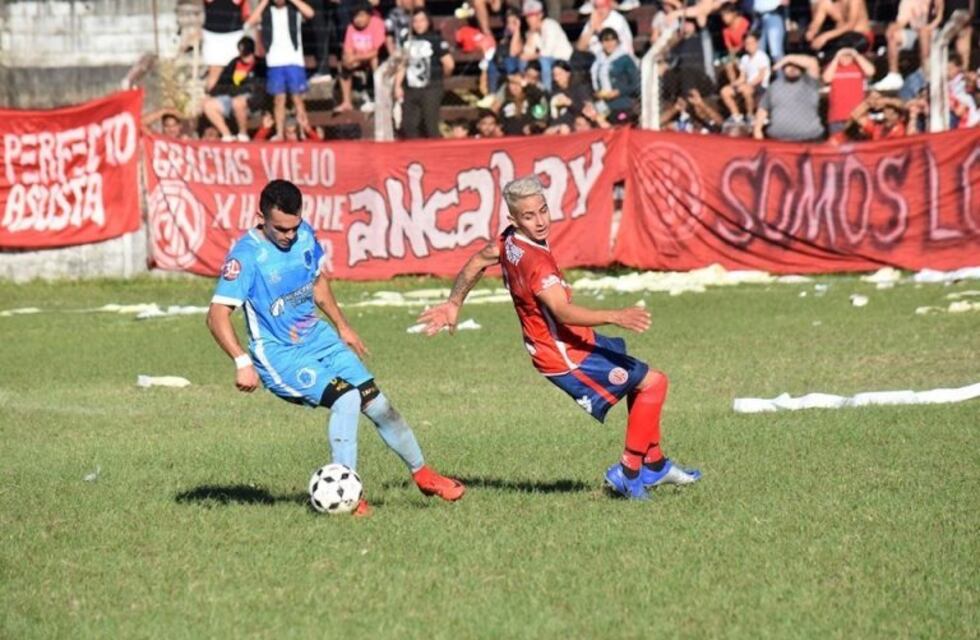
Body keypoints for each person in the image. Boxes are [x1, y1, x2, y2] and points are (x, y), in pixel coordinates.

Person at [417, 176, 702, 500]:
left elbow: (481, 258)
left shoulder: (510, 239)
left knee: (645, 381)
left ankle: (655, 464)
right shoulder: (537, 263)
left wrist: (454, 303)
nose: (539, 221)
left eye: (542, 211)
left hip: (572, 340)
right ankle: (629, 472)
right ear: (514, 220)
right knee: (654, 383)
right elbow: (562, 311)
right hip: (564, 355)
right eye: (529, 216)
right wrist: (616, 315)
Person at [206, 179, 465, 516]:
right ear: (261, 217)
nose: (288, 235)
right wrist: (241, 361)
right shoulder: (246, 256)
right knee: (346, 397)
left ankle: (424, 474)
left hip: (319, 337)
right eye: (279, 228)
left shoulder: (304, 236)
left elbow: (317, 282)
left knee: (378, 403)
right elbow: (216, 315)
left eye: (293, 226)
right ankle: (350, 497)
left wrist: (342, 326)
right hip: (280, 354)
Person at [246, 0, 315, 140]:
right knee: (279, 99)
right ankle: (279, 133)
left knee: (297, 98)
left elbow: (310, 13)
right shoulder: (266, 12)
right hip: (275, 62)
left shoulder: (294, 10)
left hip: (294, 60)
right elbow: (250, 22)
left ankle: (302, 131)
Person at [395, 9, 454, 138]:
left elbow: (449, 63)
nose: (418, 24)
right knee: (408, 125)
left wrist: (439, 78)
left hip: (431, 87)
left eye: (422, 20)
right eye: (415, 21)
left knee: (430, 125)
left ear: (428, 22)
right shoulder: (406, 39)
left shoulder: (436, 39)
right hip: (411, 88)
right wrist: (398, 85)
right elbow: (402, 64)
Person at [202, 36, 266, 142]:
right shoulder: (234, 63)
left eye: (247, 54)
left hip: (251, 103)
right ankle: (226, 134)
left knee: (238, 102)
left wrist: (241, 91)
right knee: (208, 105)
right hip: (231, 96)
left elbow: (259, 87)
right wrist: (234, 90)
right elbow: (219, 86)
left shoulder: (260, 65)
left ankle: (243, 134)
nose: (245, 58)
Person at [873, 0, 943, 91]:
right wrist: (894, 27)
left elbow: (939, 18)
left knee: (924, 33)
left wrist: (927, 28)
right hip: (916, 32)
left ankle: (925, 73)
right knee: (894, 35)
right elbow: (901, 21)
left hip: (936, 32)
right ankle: (894, 75)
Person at [753, 54, 824, 140]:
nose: (792, 68)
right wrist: (757, 129)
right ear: (783, 68)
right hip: (777, 141)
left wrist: (788, 59)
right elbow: (763, 108)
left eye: (796, 66)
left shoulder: (811, 83)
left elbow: (812, 63)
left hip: (809, 140)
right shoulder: (774, 86)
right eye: (789, 66)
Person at [337, 2, 386, 112]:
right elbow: (347, 50)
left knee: (374, 61)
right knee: (343, 64)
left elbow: (377, 52)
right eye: (355, 16)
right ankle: (346, 102)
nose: (358, 20)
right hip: (359, 58)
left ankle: (379, 96)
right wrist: (348, 59)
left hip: (376, 58)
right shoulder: (351, 28)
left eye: (361, 15)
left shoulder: (377, 23)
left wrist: (355, 58)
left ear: (369, 15)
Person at [519, 0, 573, 91]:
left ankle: (547, 92)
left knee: (543, 61)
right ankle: (526, 88)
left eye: (531, 16)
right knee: (522, 61)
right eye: (527, 17)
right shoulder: (534, 32)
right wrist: (531, 36)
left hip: (564, 61)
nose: (529, 20)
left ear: (540, 15)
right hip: (549, 61)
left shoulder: (550, 25)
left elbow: (546, 53)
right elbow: (527, 53)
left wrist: (528, 56)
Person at [823, 47, 874, 142]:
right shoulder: (833, 66)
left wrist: (856, 55)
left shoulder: (858, 66)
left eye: (848, 55)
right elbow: (827, 78)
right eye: (843, 55)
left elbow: (870, 71)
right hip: (837, 117)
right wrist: (836, 57)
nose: (845, 58)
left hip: (858, 117)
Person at [590, 28, 640, 124]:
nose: (609, 44)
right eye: (605, 41)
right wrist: (597, 93)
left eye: (612, 40)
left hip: (622, 104)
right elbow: (595, 83)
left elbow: (636, 83)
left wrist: (619, 91)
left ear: (617, 41)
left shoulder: (625, 59)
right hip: (603, 105)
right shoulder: (597, 61)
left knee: (621, 128)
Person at [720, 31, 770, 125]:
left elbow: (761, 76)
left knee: (746, 90)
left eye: (752, 43)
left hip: (760, 86)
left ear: (756, 43)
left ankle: (750, 116)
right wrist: (734, 84)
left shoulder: (762, 57)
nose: (749, 46)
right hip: (746, 84)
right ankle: (736, 116)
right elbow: (742, 77)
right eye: (747, 43)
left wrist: (748, 84)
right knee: (725, 91)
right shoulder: (745, 58)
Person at [203, 0, 251, 91]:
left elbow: (246, 15)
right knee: (214, 72)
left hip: (234, 35)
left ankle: (231, 100)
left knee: (235, 72)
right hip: (212, 35)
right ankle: (210, 101)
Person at [804, 0, 872, 59]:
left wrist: (825, 36)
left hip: (860, 38)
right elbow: (816, 22)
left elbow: (850, 25)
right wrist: (812, 31)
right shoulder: (826, 3)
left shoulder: (854, 1)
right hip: (839, 38)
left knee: (838, 44)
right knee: (808, 41)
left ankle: (825, 57)